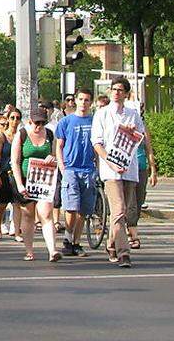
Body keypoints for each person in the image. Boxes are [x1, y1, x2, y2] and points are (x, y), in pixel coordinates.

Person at [91, 77, 151, 267]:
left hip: (129, 167)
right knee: (118, 210)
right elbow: (97, 143)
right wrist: (109, 161)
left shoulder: (133, 114)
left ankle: (110, 244)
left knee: (122, 213)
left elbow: (140, 138)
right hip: (111, 170)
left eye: (120, 90)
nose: (116, 93)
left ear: (126, 94)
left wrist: (133, 132)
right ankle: (124, 253)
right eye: (114, 89)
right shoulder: (102, 114)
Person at [12, 106, 59, 262]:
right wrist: (20, 185)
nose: (39, 126)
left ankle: (52, 250)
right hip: (26, 179)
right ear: (29, 121)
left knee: (46, 213)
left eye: (42, 123)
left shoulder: (50, 135)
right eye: (36, 123)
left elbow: (55, 154)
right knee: (28, 215)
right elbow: (15, 161)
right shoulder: (22, 135)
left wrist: (52, 158)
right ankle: (29, 250)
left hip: (44, 180)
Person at [54, 89, 95, 256]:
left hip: (88, 170)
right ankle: (68, 238)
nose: (83, 103)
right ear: (75, 101)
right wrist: (62, 167)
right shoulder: (65, 122)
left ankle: (76, 242)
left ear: (90, 103)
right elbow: (59, 146)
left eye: (86, 100)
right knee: (71, 207)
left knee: (84, 210)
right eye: (81, 99)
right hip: (70, 168)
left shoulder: (95, 121)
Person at [127, 104, 158, 250]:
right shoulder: (123, 127)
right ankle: (133, 234)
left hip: (141, 168)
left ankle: (131, 226)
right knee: (131, 204)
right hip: (127, 169)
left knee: (139, 202)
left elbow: (149, 150)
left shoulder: (143, 129)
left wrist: (153, 170)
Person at [0, 107, 21, 239]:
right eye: (12, 118)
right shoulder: (2, 137)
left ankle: (17, 231)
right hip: (4, 173)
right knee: (2, 203)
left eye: (18, 118)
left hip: (16, 174)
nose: (15, 121)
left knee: (17, 203)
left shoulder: (20, 136)